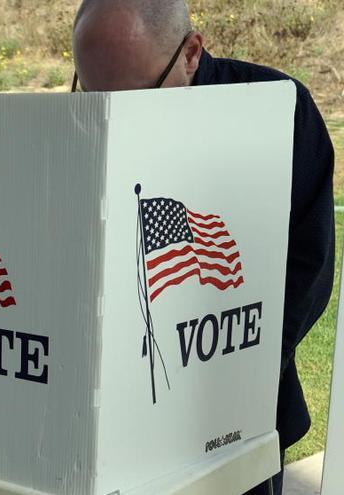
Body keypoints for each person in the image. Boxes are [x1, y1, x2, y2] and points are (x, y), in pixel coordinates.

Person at [72, 1, 335, 494]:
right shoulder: (77, 121)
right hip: (112, 421)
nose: (110, 117)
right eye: (89, 94)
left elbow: (308, 267)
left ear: (191, 53)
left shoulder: (275, 108)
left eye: (134, 98)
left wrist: (233, 370)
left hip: (233, 414)